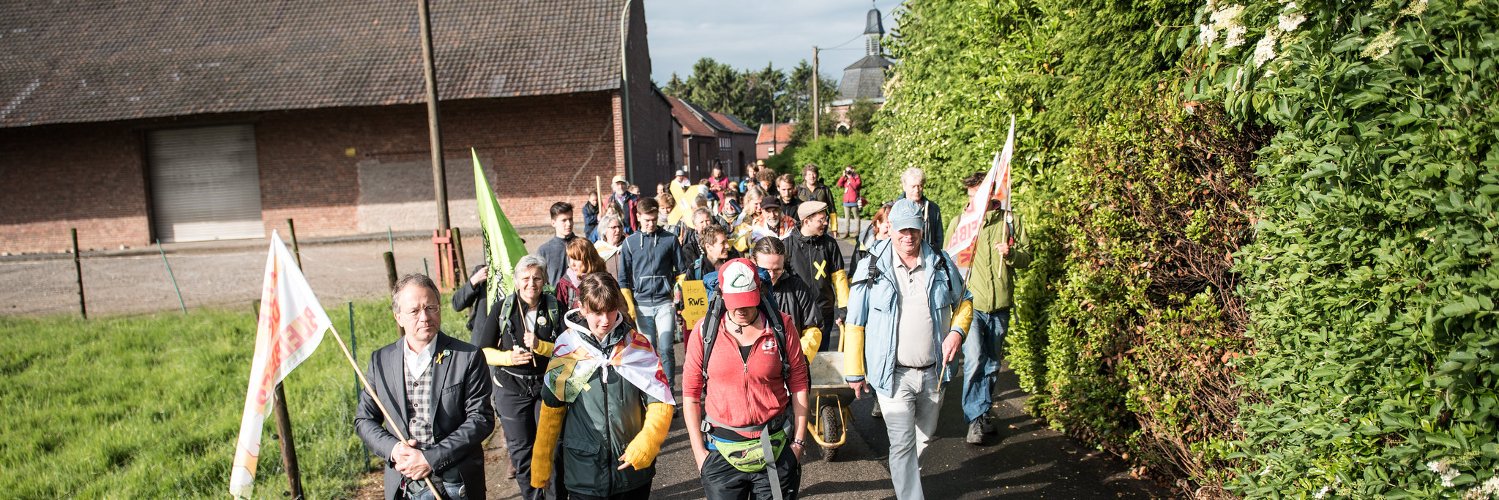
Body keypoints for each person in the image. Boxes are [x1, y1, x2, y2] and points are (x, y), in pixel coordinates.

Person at [842, 199, 973, 500]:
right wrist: (854, 371)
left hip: (933, 373)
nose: (908, 236)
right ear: (890, 230)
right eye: (902, 230)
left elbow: (965, 301)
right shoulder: (871, 265)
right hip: (893, 376)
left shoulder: (940, 262)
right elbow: (855, 322)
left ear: (922, 229)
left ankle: (906, 477)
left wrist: (956, 332)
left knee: (923, 440)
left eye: (914, 229)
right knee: (902, 444)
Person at [531, 273, 675, 499]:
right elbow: (552, 411)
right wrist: (541, 464)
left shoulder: (637, 346)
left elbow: (661, 402)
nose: (605, 320)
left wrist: (647, 442)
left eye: (611, 310)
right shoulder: (569, 349)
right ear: (582, 309)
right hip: (584, 475)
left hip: (632, 471)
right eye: (597, 312)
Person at [356, 274, 494, 500]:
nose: (425, 317)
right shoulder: (381, 361)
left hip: (456, 484)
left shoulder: (467, 357)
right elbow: (364, 420)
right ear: (398, 317)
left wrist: (431, 458)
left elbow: (481, 419)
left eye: (431, 307)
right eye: (414, 311)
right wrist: (394, 450)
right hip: (403, 485)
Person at [684, 259, 811, 500]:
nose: (741, 310)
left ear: (759, 292)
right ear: (721, 295)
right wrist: (699, 454)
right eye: (734, 303)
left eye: (747, 302)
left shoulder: (781, 327)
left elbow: (799, 384)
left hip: (775, 449)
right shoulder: (705, 331)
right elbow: (690, 394)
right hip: (720, 453)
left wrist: (798, 444)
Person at [470, 258, 564, 500]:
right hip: (511, 388)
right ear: (516, 281)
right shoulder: (503, 308)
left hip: (546, 385)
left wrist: (541, 346)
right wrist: (509, 358)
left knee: (550, 451)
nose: (531, 283)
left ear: (544, 280)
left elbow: (569, 350)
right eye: (525, 278)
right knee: (522, 453)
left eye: (537, 277)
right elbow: (483, 351)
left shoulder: (555, 307)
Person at [950, 172, 1032, 444]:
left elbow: (1027, 258)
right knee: (974, 360)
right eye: (971, 196)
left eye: (979, 196)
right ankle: (975, 419)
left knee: (992, 363)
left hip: (1000, 305)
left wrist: (1011, 255)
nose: (974, 201)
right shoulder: (961, 223)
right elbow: (946, 263)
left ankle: (983, 412)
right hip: (971, 306)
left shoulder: (1010, 221)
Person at [618, 198, 684, 389]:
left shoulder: (669, 240)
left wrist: (677, 294)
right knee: (650, 350)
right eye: (647, 220)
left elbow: (681, 272)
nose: (651, 224)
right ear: (638, 217)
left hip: (665, 303)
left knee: (666, 348)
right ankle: (654, 393)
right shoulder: (629, 244)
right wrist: (630, 306)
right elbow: (623, 279)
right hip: (641, 305)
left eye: (654, 219)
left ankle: (669, 391)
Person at [782, 201, 848, 352]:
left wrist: (844, 307)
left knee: (821, 357)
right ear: (806, 221)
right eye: (821, 220)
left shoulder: (830, 244)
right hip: (797, 314)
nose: (826, 223)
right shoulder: (788, 245)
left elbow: (839, 277)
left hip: (824, 311)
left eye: (825, 219)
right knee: (798, 357)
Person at [751, 237, 826, 359]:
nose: (771, 275)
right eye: (765, 270)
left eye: (777, 270)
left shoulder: (798, 287)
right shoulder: (745, 289)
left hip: (793, 361)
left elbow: (813, 327)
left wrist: (801, 356)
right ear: (754, 262)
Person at [681, 222, 739, 306]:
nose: (727, 246)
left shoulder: (734, 264)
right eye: (723, 243)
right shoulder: (695, 270)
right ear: (708, 247)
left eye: (727, 242)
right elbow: (687, 301)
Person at [893, 168, 944, 247]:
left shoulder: (933, 209)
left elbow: (939, 238)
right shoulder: (894, 208)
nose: (917, 190)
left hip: (928, 256)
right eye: (913, 186)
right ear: (904, 187)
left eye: (920, 186)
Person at [557, 236, 609, 310]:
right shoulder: (565, 283)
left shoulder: (606, 281)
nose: (572, 264)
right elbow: (560, 314)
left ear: (589, 259)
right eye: (570, 258)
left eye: (577, 259)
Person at [536, 202, 578, 287]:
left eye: (570, 219)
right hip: (556, 299)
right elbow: (540, 279)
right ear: (553, 223)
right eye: (564, 220)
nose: (569, 224)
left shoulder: (583, 245)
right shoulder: (544, 251)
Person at [795, 165, 835, 233]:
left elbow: (832, 209)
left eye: (814, 174)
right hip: (804, 224)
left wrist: (834, 228)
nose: (812, 176)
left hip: (821, 224)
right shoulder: (798, 189)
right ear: (805, 176)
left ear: (817, 175)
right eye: (809, 174)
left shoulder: (824, 189)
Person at [451, 264, 489, 333]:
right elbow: (457, 304)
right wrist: (474, 280)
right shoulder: (483, 271)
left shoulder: (513, 273)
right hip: (481, 336)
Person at [595, 214, 627, 280]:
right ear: (604, 230)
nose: (618, 230)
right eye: (614, 227)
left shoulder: (627, 246)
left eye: (619, 226)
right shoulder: (597, 249)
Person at [835, 166, 863, 238]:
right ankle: (846, 232)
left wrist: (851, 177)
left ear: (853, 170)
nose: (848, 172)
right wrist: (843, 176)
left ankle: (857, 232)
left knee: (856, 217)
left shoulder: (856, 177)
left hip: (854, 201)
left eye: (849, 170)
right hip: (846, 202)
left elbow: (856, 185)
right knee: (847, 218)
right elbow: (839, 184)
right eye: (847, 171)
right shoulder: (846, 178)